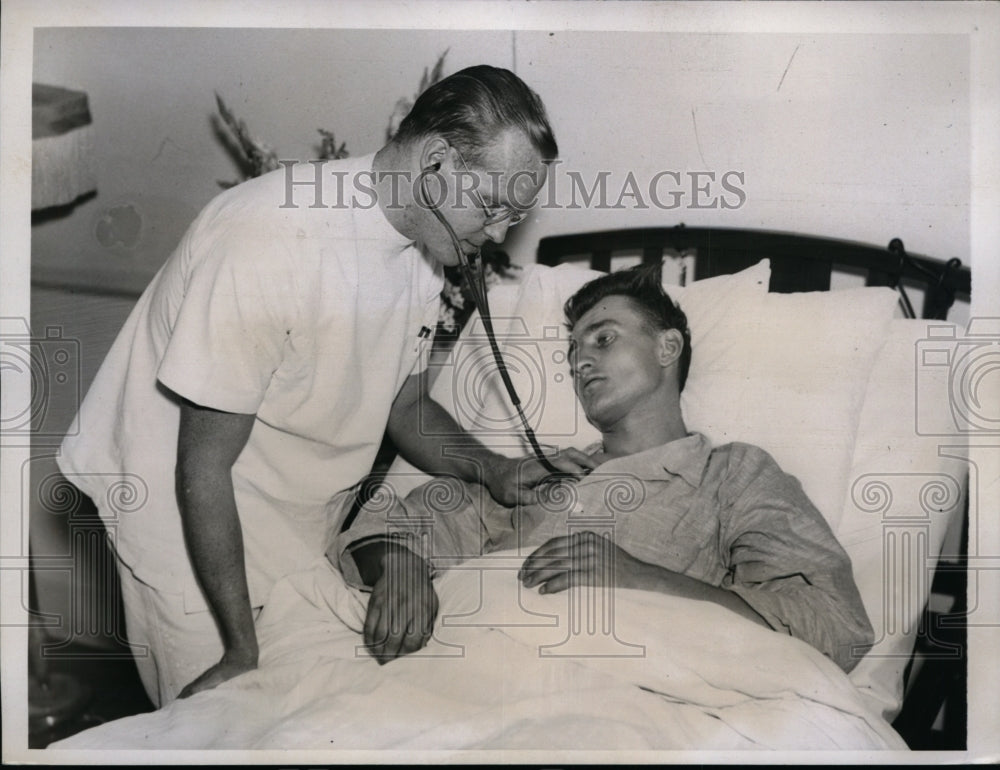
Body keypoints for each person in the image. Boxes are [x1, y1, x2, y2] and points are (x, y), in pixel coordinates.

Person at [57, 65, 594, 707]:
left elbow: (406, 402)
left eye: (517, 213)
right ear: (436, 160)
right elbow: (202, 466)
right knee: (227, 722)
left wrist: (495, 471)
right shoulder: (268, 239)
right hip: (186, 518)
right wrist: (239, 649)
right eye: (493, 206)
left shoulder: (421, 247)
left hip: (290, 520)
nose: (503, 233)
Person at [332, 262, 875, 674]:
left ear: (668, 347)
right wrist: (402, 566)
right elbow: (386, 521)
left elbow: (836, 624)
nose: (579, 361)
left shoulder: (731, 476)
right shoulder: (542, 476)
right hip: (473, 667)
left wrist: (642, 578)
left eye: (604, 339)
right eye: (572, 351)